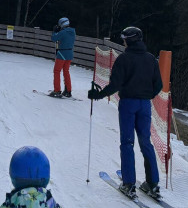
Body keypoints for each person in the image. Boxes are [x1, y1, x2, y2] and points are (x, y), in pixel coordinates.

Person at [87, 26, 163, 198]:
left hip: (128, 103)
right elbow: (158, 85)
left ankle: (129, 183)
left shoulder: (124, 59)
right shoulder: (151, 59)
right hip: (144, 105)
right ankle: (153, 183)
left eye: (124, 39)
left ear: (129, 40)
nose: (123, 41)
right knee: (146, 142)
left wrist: (98, 95)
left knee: (127, 142)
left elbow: (115, 85)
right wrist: (146, 95)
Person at [49, 18, 75, 98]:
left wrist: (55, 31)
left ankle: (57, 90)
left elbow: (53, 38)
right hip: (69, 54)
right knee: (66, 71)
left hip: (62, 54)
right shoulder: (73, 31)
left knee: (57, 71)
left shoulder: (63, 32)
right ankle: (68, 90)